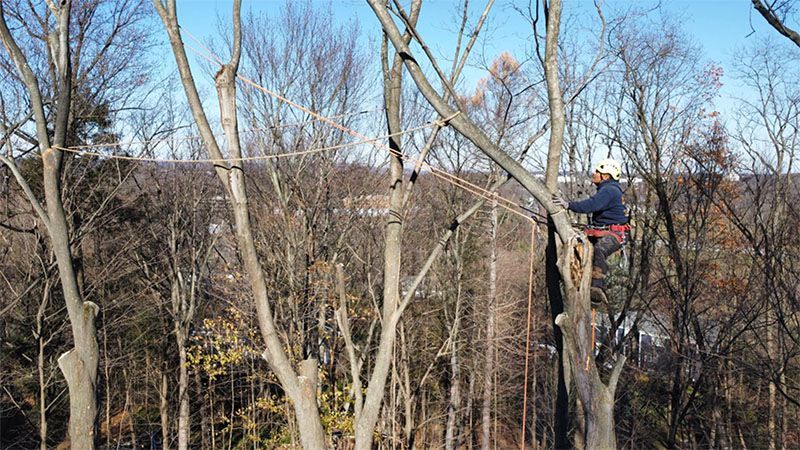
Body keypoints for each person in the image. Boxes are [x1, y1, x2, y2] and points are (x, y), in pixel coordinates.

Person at [553, 159, 630, 303]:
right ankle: (572, 277)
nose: (594, 174)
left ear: (606, 176)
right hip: (602, 231)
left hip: (614, 234)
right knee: (579, 248)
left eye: (598, 172)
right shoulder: (608, 189)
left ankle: (597, 287)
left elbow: (592, 205)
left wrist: (568, 205)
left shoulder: (610, 190)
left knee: (599, 250)